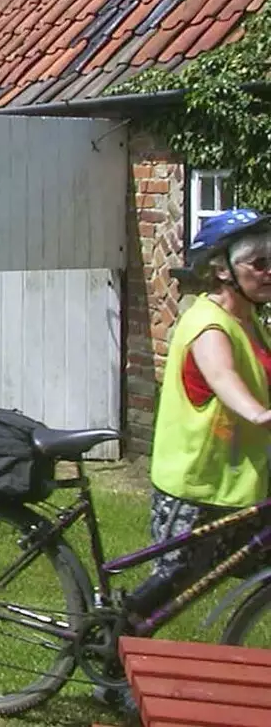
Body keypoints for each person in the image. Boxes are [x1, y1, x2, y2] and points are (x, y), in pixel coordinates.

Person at [138, 207, 271, 615]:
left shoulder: (250, 321)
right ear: (223, 269)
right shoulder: (207, 325)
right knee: (175, 582)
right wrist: (260, 415)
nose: (269, 272)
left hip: (237, 482)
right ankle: (113, 642)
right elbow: (225, 378)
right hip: (197, 485)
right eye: (259, 263)